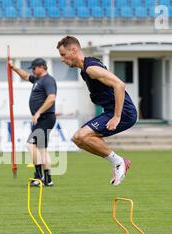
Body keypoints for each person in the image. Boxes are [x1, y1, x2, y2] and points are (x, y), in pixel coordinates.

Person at [56, 36, 137, 186]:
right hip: (111, 111)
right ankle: (118, 162)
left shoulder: (91, 68)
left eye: (63, 54)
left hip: (123, 112)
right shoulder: (85, 69)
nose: (62, 59)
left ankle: (119, 162)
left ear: (74, 50)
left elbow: (119, 85)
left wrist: (117, 116)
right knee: (79, 139)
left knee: (81, 135)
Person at [9, 58, 57, 187]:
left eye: (34, 68)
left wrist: (38, 112)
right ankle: (48, 179)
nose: (33, 71)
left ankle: (38, 177)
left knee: (31, 145)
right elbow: (25, 76)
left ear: (42, 67)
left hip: (45, 118)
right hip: (43, 119)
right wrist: (13, 68)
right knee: (42, 149)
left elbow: (51, 98)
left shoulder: (48, 80)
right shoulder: (38, 80)